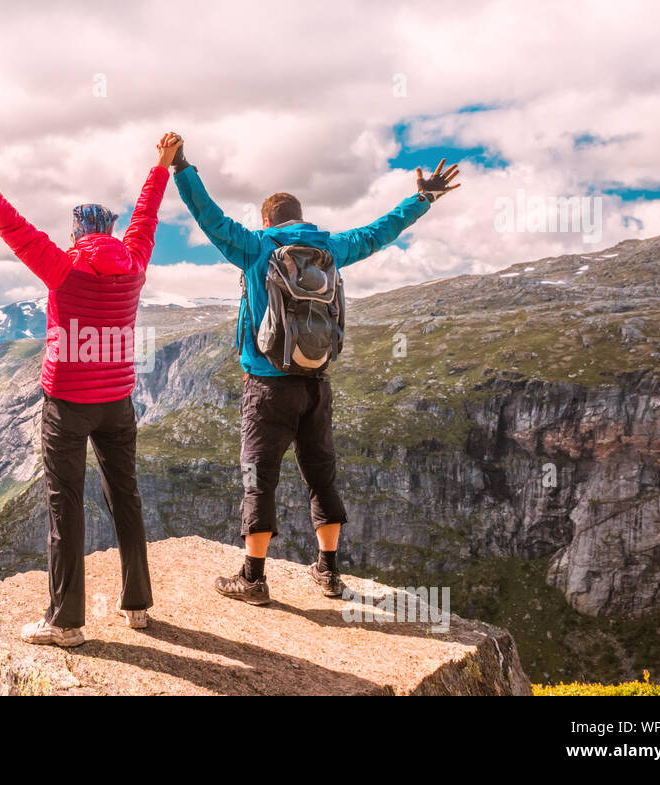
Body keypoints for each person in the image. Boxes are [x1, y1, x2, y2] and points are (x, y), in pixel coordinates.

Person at [170, 142, 460, 605]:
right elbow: (378, 232)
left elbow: (209, 216)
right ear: (301, 218)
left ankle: (253, 578)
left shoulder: (256, 246)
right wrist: (421, 199)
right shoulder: (331, 248)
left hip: (266, 386)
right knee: (321, 476)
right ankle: (328, 573)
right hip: (316, 386)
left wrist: (180, 168)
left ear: (268, 221)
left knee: (258, 478)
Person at [0, 133, 184, 646]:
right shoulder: (134, 263)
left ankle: (66, 622)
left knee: (65, 503)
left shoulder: (62, 265)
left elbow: (13, 228)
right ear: (111, 231)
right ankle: (137, 605)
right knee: (126, 496)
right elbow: (147, 218)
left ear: (75, 232)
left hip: (68, 403)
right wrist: (160, 165)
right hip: (117, 403)